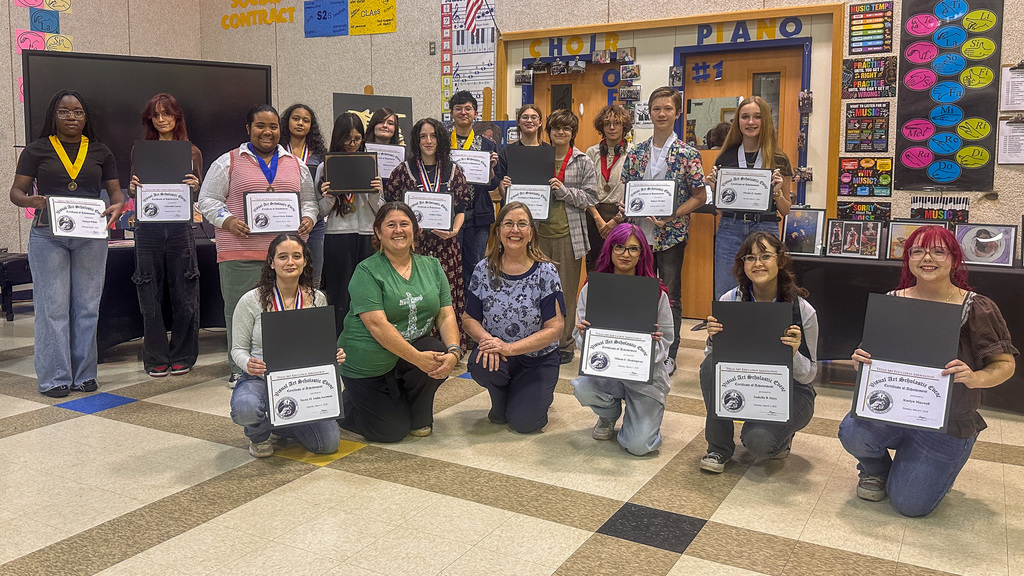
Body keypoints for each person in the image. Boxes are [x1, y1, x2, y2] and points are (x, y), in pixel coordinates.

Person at [839, 226, 1016, 517]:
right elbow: (871, 354)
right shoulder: (893, 300)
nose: (926, 258)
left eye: (938, 251)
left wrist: (975, 377)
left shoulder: (976, 307)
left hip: (946, 424)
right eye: (917, 250)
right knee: (853, 431)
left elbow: (1005, 364)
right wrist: (861, 360)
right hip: (894, 412)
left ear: (954, 259)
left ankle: (927, 469)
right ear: (908, 258)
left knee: (910, 505)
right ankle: (877, 468)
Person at [9, 89, 124, 398]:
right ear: (54, 116)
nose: (71, 117)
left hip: (90, 236)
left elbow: (116, 194)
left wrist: (117, 206)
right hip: (48, 235)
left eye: (77, 112)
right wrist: (29, 199)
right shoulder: (36, 150)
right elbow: (15, 192)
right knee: (52, 309)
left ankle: (85, 375)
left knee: (87, 308)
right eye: (64, 111)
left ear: (85, 118)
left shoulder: (101, 151)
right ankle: (56, 377)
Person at [198, 104, 318, 387]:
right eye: (261, 126)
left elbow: (310, 201)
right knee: (240, 311)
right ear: (248, 129)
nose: (268, 132)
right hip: (239, 252)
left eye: (273, 126)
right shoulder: (227, 161)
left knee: (287, 311)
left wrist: (308, 218)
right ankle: (239, 369)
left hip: (285, 255)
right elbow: (207, 200)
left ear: (280, 129)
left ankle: (286, 364)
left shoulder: (296, 164)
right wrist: (227, 221)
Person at [338, 202, 461, 442]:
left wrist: (454, 352)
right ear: (378, 232)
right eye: (390, 225)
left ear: (415, 230)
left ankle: (418, 415)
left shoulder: (433, 266)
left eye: (404, 224)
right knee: (390, 432)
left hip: (403, 354)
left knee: (436, 350)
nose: (398, 230)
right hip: (367, 362)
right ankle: (345, 406)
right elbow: (377, 325)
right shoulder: (366, 271)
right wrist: (418, 359)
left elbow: (446, 314)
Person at [698, 231, 818, 473]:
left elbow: (809, 375)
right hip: (745, 381)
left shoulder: (802, 310)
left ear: (780, 260)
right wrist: (713, 340)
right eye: (750, 258)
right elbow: (712, 362)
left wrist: (793, 354)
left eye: (765, 256)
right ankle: (718, 448)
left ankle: (779, 435)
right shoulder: (730, 300)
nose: (758, 264)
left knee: (759, 444)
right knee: (710, 366)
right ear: (743, 264)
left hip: (791, 390)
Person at [229, 233, 344, 458]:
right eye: (282, 257)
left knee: (328, 445)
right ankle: (259, 435)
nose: (290, 262)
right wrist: (248, 363)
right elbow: (237, 349)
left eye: (296, 256)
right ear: (271, 262)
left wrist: (335, 353)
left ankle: (280, 422)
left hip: (303, 381)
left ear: (305, 261)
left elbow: (322, 343)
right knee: (246, 408)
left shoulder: (317, 298)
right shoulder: (251, 301)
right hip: (259, 378)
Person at [621, 86, 707, 376]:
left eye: (667, 108)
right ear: (649, 111)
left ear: (677, 113)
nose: (661, 113)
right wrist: (634, 207)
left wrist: (673, 214)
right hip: (638, 237)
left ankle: (669, 354)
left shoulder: (688, 154)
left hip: (671, 236)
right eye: (656, 108)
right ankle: (637, 349)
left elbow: (700, 196)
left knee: (671, 297)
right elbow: (629, 192)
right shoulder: (636, 153)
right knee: (638, 292)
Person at [571, 223, 673, 456]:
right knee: (583, 388)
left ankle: (640, 419)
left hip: (645, 377)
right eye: (619, 247)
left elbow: (667, 339)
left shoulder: (656, 292)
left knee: (638, 446)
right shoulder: (592, 288)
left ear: (642, 254)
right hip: (606, 372)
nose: (625, 254)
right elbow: (580, 337)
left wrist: (653, 343)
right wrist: (584, 335)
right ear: (610, 249)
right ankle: (609, 415)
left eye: (633, 249)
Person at [463, 202, 565, 433]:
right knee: (479, 364)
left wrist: (509, 349)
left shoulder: (546, 271)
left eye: (522, 224)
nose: (515, 230)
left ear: (531, 233)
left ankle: (525, 396)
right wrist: (488, 341)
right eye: (508, 224)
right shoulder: (483, 269)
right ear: (498, 231)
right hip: (498, 356)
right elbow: (469, 319)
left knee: (526, 424)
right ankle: (500, 398)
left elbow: (555, 328)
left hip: (538, 359)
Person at [128, 93, 203, 378]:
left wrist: (195, 186)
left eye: (166, 114)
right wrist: (132, 190)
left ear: (176, 117)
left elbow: (198, 194)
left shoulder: (191, 151)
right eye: (155, 116)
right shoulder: (142, 149)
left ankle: (183, 353)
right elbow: (133, 186)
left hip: (180, 226)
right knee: (149, 290)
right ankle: (156, 355)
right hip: (148, 227)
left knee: (185, 289)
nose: (161, 120)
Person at [383, 118, 472, 346]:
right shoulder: (403, 171)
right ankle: (416, 343)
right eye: (423, 136)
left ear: (440, 138)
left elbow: (462, 207)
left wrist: (455, 230)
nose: (428, 141)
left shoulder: (454, 170)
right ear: (416, 140)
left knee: (445, 294)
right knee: (416, 294)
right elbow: (391, 205)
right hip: (414, 247)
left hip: (446, 245)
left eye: (433, 136)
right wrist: (405, 228)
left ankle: (451, 344)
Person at [706, 96, 793, 300]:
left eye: (757, 117)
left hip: (765, 228)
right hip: (730, 228)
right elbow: (721, 210)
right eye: (745, 117)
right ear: (738, 122)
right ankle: (726, 331)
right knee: (726, 291)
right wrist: (714, 190)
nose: (750, 122)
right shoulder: (725, 157)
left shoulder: (779, 158)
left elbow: (786, 209)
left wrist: (777, 193)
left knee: (766, 290)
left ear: (766, 121)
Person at [316, 112, 383, 334]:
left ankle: (369, 336)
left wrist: (375, 193)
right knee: (339, 292)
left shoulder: (370, 162)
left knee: (368, 290)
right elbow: (320, 212)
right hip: (337, 235)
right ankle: (338, 340)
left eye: (357, 139)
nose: (353, 144)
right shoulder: (326, 166)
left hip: (367, 234)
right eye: (348, 139)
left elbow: (380, 210)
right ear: (339, 137)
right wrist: (330, 196)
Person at [448, 91, 499, 291]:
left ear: (475, 113)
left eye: (468, 108)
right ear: (451, 113)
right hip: (449, 214)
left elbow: (494, 184)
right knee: (451, 265)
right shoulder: (442, 142)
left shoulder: (487, 144)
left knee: (476, 266)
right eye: (458, 108)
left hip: (478, 213)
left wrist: (492, 169)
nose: (463, 112)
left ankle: (473, 315)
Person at [281, 103, 327, 287]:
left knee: (313, 276)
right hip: (283, 218)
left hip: (313, 222)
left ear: (311, 126)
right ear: (287, 122)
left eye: (305, 120)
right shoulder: (277, 152)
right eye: (296, 119)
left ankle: (310, 311)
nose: (300, 123)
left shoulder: (319, 155)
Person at [584, 104, 632, 271]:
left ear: (624, 126)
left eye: (616, 123)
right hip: (595, 215)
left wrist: (617, 219)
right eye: (607, 123)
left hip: (621, 215)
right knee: (595, 265)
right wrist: (597, 218)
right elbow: (585, 189)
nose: (611, 127)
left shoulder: (633, 153)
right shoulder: (591, 153)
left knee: (621, 264)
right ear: (601, 127)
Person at [495, 104, 551, 199]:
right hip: (513, 208)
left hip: (541, 207)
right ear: (518, 122)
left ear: (540, 122)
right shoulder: (506, 153)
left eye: (534, 117)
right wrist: (504, 187)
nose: (529, 121)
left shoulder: (549, 152)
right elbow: (501, 190)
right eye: (525, 117)